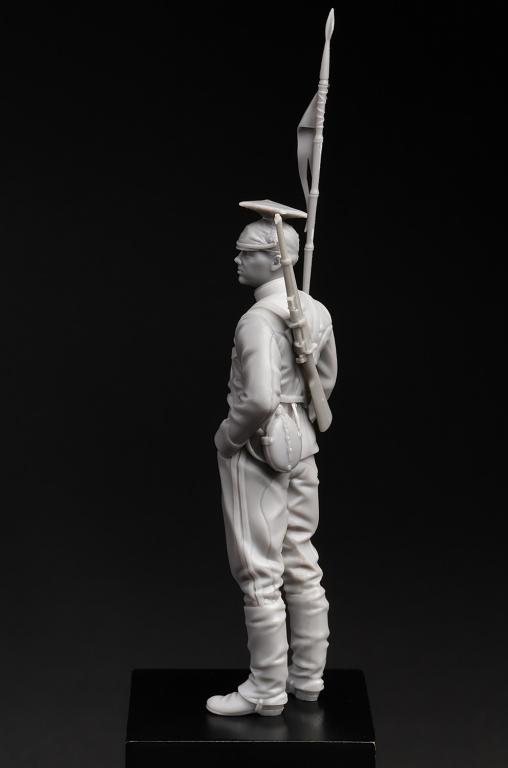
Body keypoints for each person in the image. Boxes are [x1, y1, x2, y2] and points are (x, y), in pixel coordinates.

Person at [206, 204, 337, 717]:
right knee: (302, 560)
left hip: (259, 447)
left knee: (259, 570)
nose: (238, 260)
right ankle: (308, 677)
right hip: (302, 440)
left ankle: (266, 688)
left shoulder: (258, 320)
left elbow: (258, 397)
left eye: (247, 253)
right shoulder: (315, 310)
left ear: (274, 258)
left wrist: (229, 436)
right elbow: (325, 381)